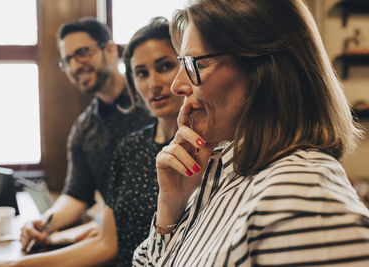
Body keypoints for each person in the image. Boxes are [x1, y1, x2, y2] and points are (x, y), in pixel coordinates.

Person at [133, 0, 369, 266]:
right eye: (181, 64)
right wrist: (170, 206)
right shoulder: (224, 168)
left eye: (194, 65)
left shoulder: (304, 197)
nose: (177, 85)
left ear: (265, 70)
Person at [0, 17, 182, 267]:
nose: (75, 66)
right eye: (67, 60)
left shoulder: (159, 104)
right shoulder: (87, 128)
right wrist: (46, 221)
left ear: (110, 49)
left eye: (82, 53)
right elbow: (77, 192)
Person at [103, 16, 184, 266]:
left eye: (164, 67)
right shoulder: (129, 148)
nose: (153, 84)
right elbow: (106, 243)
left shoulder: (206, 149)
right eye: (141, 73)